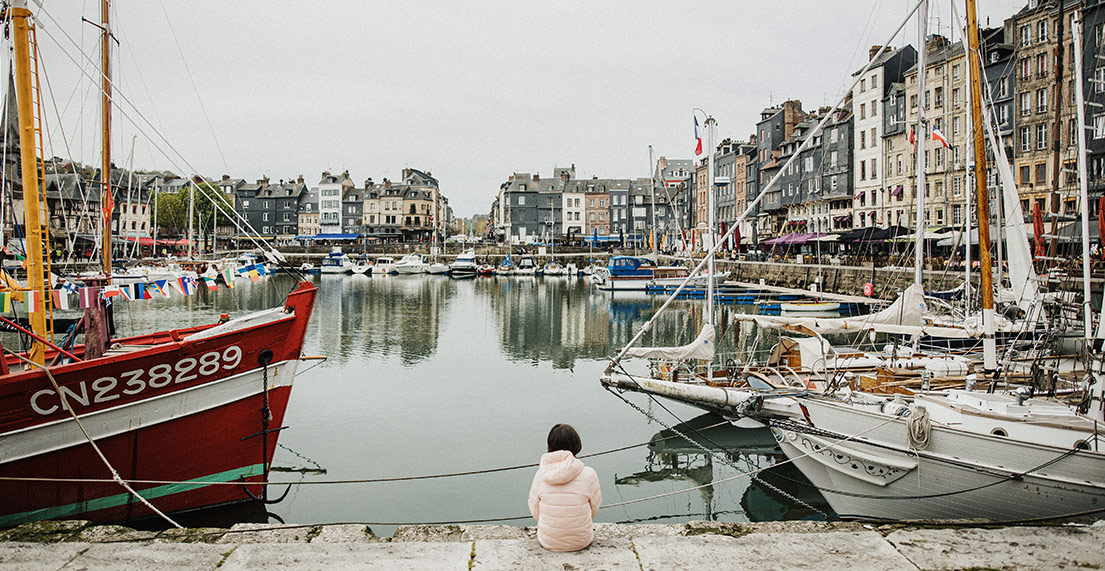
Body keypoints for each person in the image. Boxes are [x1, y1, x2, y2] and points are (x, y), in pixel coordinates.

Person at [528, 424, 601, 552]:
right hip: (581, 540)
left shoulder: (541, 475)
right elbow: (594, 508)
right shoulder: (589, 474)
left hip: (548, 540)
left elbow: (535, 509)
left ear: (549, 446)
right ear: (577, 445)